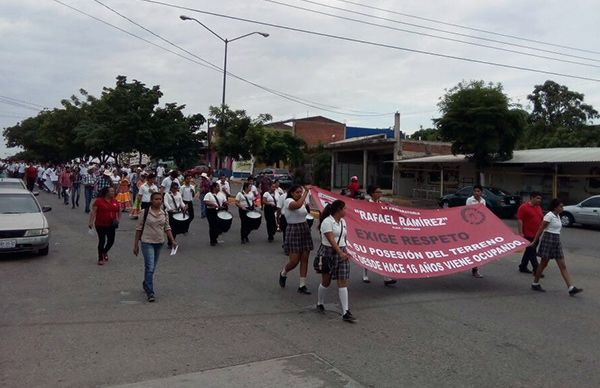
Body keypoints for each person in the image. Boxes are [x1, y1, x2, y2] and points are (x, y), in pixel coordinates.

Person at [530, 199, 583, 296]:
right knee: (543, 264)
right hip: (548, 239)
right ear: (555, 207)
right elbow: (541, 228)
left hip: (556, 241)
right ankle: (535, 283)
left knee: (562, 265)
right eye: (560, 206)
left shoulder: (558, 216)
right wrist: (534, 241)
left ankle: (571, 288)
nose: (562, 208)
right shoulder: (549, 215)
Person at [315, 200, 356, 322]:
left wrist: (345, 251)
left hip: (341, 252)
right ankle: (320, 302)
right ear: (338, 209)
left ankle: (345, 312)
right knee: (326, 282)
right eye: (344, 209)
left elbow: (343, 237)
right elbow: (331, 240)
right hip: (328, 253)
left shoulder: (342, 222)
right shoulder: (327, 222)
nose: (346, 211)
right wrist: (340, 253)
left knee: (342, 281)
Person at [133, 192, 177, 302]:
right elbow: (138, 228)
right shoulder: (145, 212)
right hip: (147, 242)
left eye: (160, 199)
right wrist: (135, 245)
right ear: (151, 201)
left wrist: (172, 240)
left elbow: (167, 227)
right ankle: (150, 292)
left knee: (152, 267)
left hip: (159, 242)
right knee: (150, 267)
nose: (158, 201)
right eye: (156, 199)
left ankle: (146, 282)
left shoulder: (164, 213)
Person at [279, 184, 314, 294]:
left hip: (303, 228)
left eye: (300, 192)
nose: (299, 194)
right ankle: (284, 272)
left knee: (305, 258)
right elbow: (297, 205)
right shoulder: (288, 201)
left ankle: (302, 285)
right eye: (297, 192)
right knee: (294, 261)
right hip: (293, 230)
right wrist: (305, 193)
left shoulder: (302, 201)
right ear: (292, 193)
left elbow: (304, 210)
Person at [362, 185, 397, 286]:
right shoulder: (366, 204)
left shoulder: (382, 204)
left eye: (380, 192)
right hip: (368, 233)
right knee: (367, 253)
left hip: (380, 233)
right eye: (378, 192)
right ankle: (365, 274)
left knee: (383, 254)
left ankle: (386, 277)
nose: (380, 194)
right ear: (372, 193)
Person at [88, 186, 120, 265]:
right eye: (111, 191)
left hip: (111, 224)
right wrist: (91, 222)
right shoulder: (99, 201)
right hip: (100, 224)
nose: (113, 193)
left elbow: (119, 211)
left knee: (111, 241)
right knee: (102, 240)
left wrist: (118, 220)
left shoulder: (115, 201)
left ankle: (104, 252)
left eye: (113, 191)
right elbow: (93, 212)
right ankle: (100, 258)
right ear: (106, 192)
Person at [517, 191, 543, 274]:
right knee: (532, 252)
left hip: (536, 234)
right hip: (528, 234)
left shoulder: (538, 207)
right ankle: (537, 269)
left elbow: (541, 219)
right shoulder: (524, 207)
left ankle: (523, 266)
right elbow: (520, 220)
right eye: (537, 198)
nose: (539, 200)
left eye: (540, 199)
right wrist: (521, 233)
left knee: (529, 251)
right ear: (532, 198)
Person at [466, 185, 485, 278]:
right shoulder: (469, 200)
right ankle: (470, 265)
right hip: (471, 227)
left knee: (477, 249)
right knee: (471, 248)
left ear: (481, 192)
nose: (476, 193)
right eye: (475, 191)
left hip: (479, 228)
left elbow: (484, 213)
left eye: (478, 191)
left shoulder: (483, 201)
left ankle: (475, 269)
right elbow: (466, 212)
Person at [205, 182, 228, 246]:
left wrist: (226, 203)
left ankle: (215, 237)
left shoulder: (221, 194)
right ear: (214, 187)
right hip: (211, 211)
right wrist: (213, 204)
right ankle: (212, 240)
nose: (219, 187)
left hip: (219, 211)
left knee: (219, 226)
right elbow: (206, 202)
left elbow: (224, 201)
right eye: (217, 186)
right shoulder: (209, 194)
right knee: (212, 226)